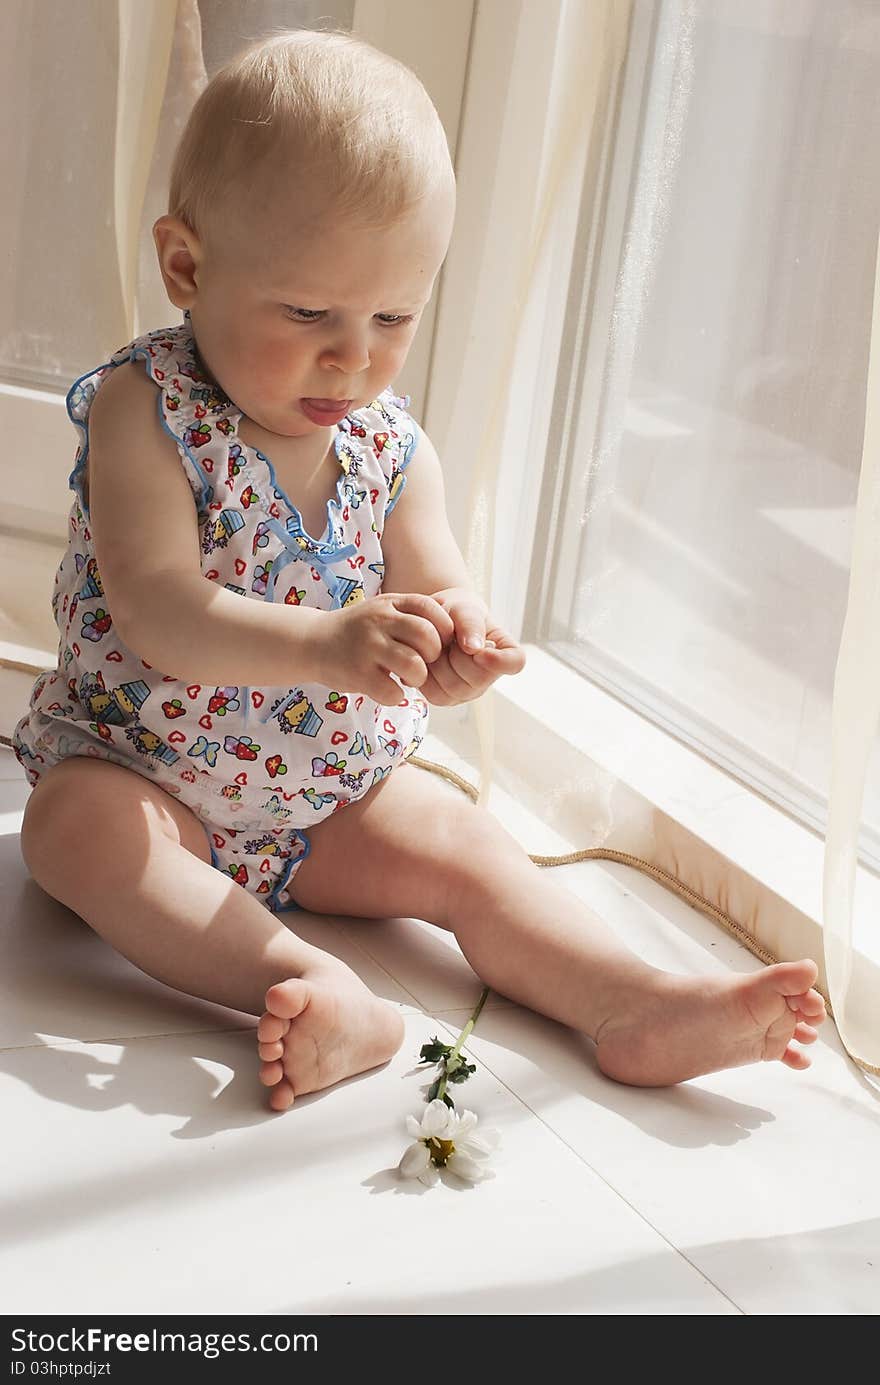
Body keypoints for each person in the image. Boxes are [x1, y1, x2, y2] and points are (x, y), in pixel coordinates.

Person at [12, 30, 825, 1112]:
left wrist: (460, 640)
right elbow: (161, 608)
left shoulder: (389, 446)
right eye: (309, 314)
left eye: (392, 317)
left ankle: (630, 999)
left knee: (467, 846)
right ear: (187, 266)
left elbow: (438, 580)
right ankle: (305, 982)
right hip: (149, 776)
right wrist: (330, 643)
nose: (352, 358)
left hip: (334, 799)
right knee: (71, 834)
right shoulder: (146, 412)